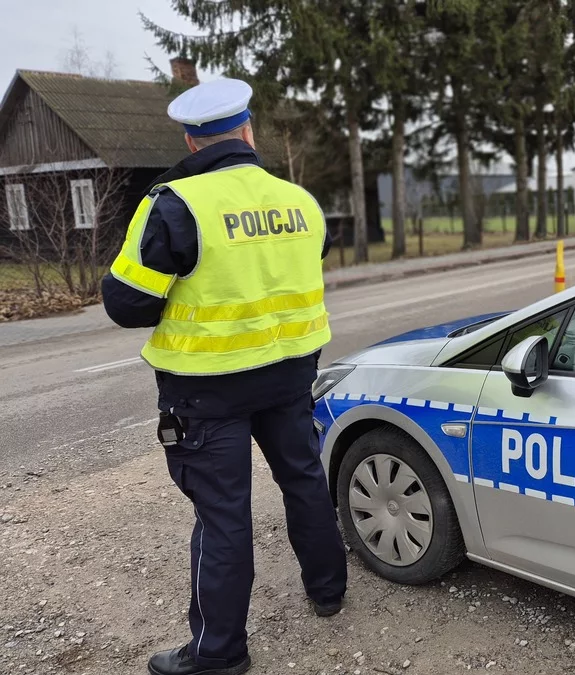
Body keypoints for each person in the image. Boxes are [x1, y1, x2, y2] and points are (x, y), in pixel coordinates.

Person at [101, 78, 347, 675]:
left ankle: (218, 653)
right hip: (290, 373)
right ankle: (328, 591)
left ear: (191, 140)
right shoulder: (300, 200)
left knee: (222, 514)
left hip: (208, 387)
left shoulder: (174, 205)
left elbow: (128, 304)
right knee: (304, 480)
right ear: (248, 132)